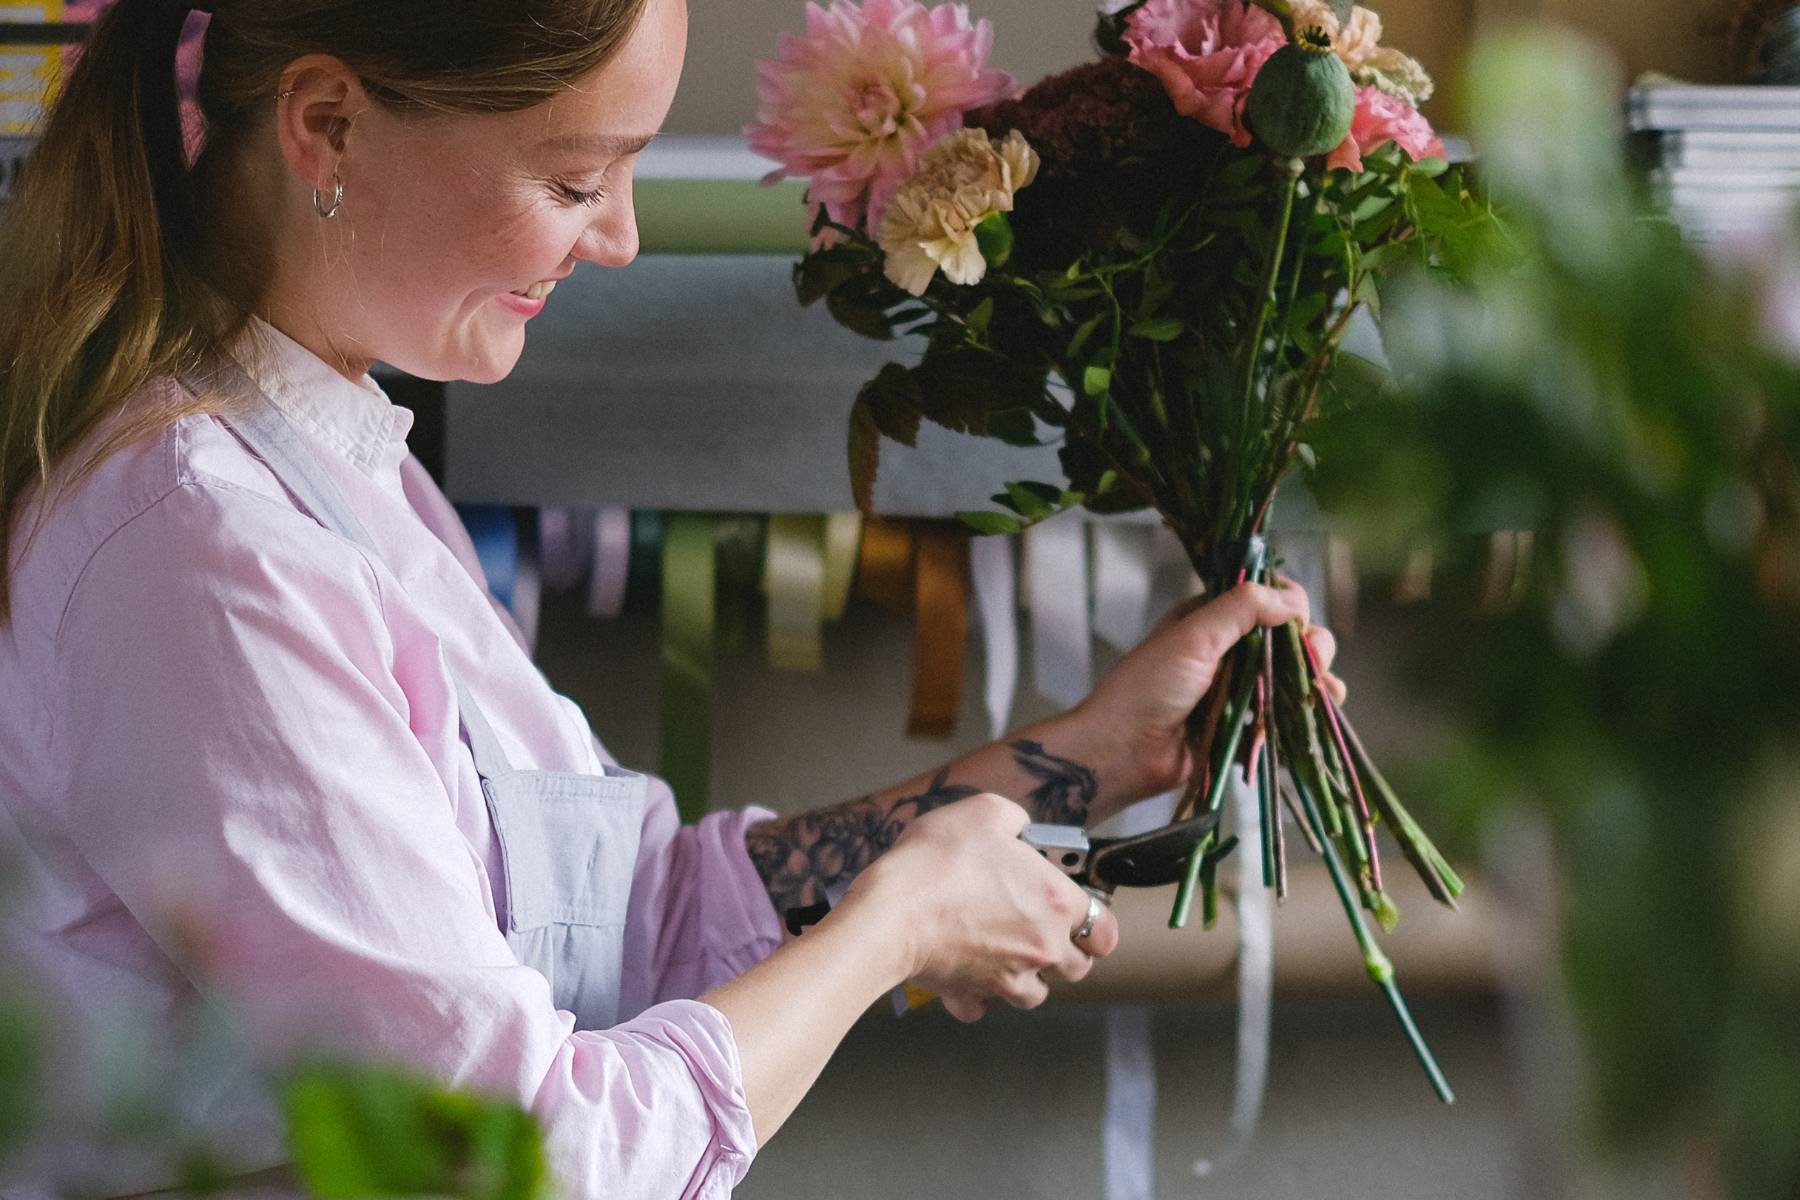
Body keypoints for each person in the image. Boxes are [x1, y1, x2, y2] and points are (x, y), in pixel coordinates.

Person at [0, 1, 1341, 1197]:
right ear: (328, 125)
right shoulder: (199, 551)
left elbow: (644, 913)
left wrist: (1087, 761)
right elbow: (503, 1163)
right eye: (579, 176)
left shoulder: (337, 473)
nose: (624, 236)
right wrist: (901, 926)